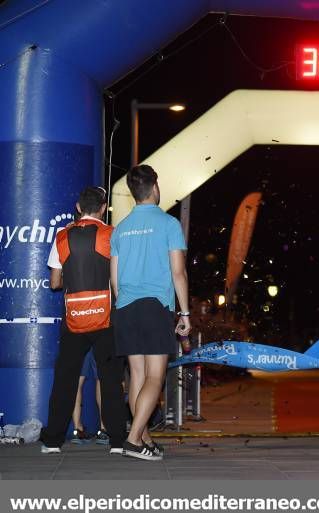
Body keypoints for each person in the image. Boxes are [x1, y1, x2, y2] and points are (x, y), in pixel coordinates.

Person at [111, 164, 191, 461]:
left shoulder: (120, 228)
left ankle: (144, 439)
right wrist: (185, 314)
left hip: (126, 307)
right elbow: (178, 273)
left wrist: (124, 305)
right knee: (155, 378)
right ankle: (133, 440)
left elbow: (115, 278)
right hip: (155, 306)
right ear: (154, 188)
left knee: (137, 376)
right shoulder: (169, 224)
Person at [40, 186, 126, 455]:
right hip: (106, 319)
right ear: (103, 208)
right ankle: (117, 442)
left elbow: (54, 283)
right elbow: (118, 279)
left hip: (74, 319)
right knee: (111, 379)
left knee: (65, 379)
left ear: (78, 207)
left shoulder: (62, 236)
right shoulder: (111, 235)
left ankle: (53, 441)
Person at [70, 350, 111, 445]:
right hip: (99, 337)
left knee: (78, 379)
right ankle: (103, 429)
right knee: (101, 378)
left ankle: (77, 430)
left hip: (78, 337)